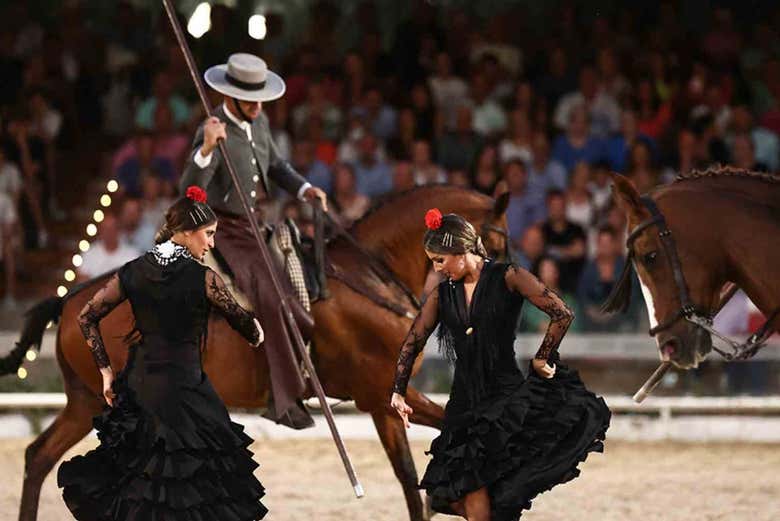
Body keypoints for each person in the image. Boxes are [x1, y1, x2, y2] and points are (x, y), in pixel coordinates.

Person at [57, 187, 268, 520]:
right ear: (186, 232)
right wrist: (256, 332)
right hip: (186, 392)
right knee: (200, 489)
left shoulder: (134, 270)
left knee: (144, 485)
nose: (211, 244)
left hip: (140, 387)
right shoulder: (204, 278)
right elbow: (244, 322)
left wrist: (106, 372)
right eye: (208, 235)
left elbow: (87, 317)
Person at [391, 209, 610, 521]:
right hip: (463, 405)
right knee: (451, 494)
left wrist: (543, 356)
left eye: (440, 260)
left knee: (485, 491)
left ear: (460, 250)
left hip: (503, 402)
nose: (437, 269)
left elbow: (562, 313)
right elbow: (414, 340)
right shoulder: (443, 295)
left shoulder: (509, 276)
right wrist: (398, 390)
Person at [180, 53, 327, 428]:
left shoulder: (258, 125)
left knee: (295, 302)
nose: (258, 107)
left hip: (256, 224)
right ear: (230, 97)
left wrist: (305, 188)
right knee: (271, 299)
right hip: (224, 229)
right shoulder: (211, 128)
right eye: (251, 101)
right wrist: (208, 149)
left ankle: (296, 377)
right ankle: (284, 401)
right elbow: (190, 191)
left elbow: (277, 166)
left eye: (260, 99)